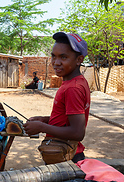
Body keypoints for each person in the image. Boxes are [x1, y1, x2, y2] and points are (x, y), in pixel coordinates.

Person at [24, 32, 90, 163]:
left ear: (79, 60)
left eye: (63, 57)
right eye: (54, 56)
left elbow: (77, 132)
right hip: (65, 152)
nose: (56, 62)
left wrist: (42, 127)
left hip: (67, 157)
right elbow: (67, 119)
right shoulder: (76, 82)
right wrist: (44, 120)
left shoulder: (73, 88)